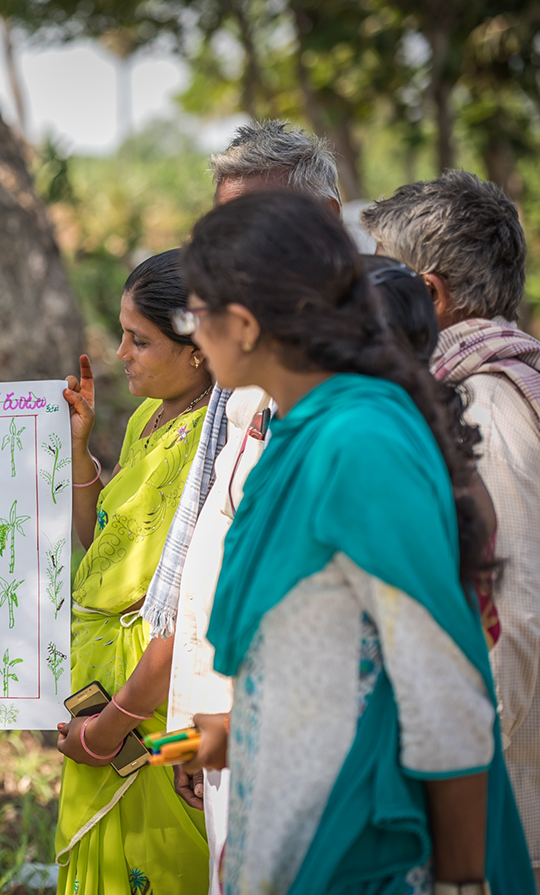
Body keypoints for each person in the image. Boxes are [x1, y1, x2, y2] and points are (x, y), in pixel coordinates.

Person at [178, 189, 533, 895]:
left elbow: (448, 690)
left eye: (195, 314)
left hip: (373, 854)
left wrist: (463, 883)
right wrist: (242, 728)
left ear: (245, 325)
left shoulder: (359, 443)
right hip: (307, 829)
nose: (191, 334)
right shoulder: (300, 429)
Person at [82, 120, 344, 894]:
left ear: (325, 225)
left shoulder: (355, 371)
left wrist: (118, 722)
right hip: (213, 722)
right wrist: (199, 718)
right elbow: (202, 558)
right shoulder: (243, 356)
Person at [362, 171, 540, 885]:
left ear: (428, 295)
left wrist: (453, 792)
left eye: (378, 276)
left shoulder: (483, 411)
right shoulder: (479, 390)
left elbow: (513, 616)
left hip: (497, 816)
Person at [53, 248, 214, 895]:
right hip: (103, 690)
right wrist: (80, 446)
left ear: (198, 348)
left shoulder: (217, 442)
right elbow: (104, 551)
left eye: (139, 339)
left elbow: (191, 610)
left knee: (161, 864)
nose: (121, 353)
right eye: (121, 334)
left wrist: (109, 728)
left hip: (152, 704)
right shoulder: (149, 419)